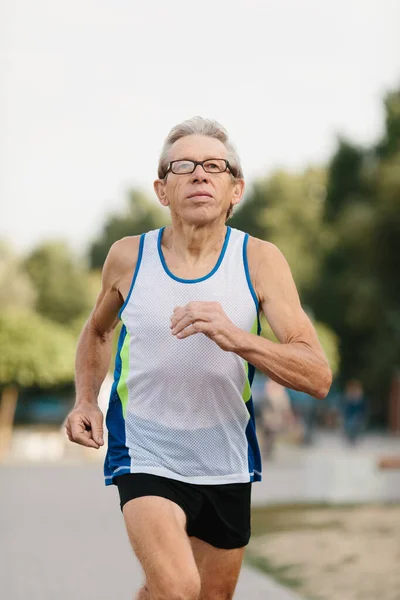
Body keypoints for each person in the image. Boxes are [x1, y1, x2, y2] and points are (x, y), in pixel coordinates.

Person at [65, 117, 332, 600]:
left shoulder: (260, 261)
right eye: (183, 166)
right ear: (162, 189)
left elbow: (316, 375)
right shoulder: (128, 257)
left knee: (203, 597)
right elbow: (98, 330)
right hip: (146, 449)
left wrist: (238, 337)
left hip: (225, 456)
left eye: (214, 166)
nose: (200, 175)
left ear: (236, 189)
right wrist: (86, 400)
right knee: (178, 587)